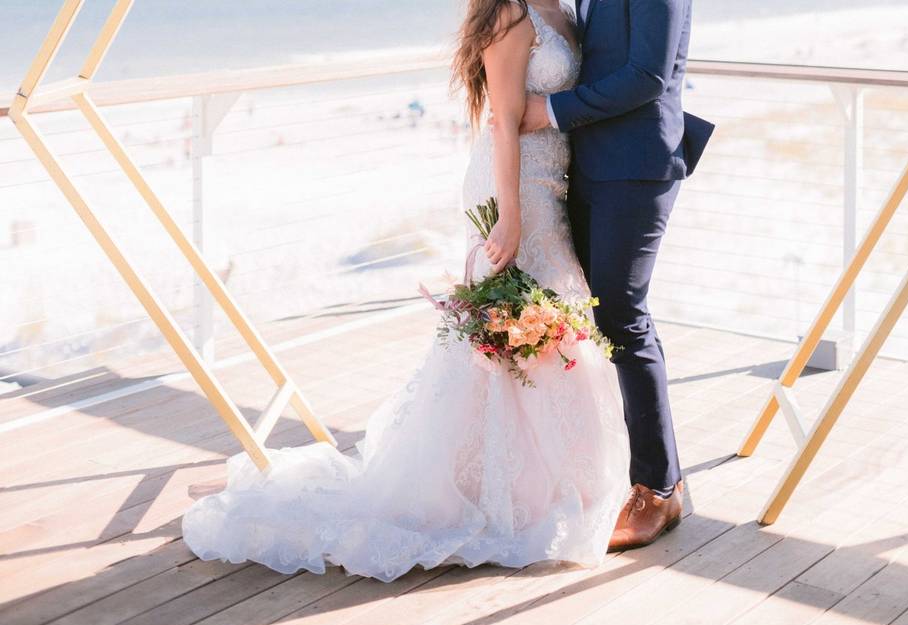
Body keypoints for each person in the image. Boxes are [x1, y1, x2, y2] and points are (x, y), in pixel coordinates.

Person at [182, 0, 635, 582]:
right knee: (509, 334)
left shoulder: (563, 8)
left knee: (547, 327)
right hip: (511, 188)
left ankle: (541, 487)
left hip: (551, 182)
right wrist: (512, 214)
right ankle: (486, 491)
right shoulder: (510, 12)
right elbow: (501, 120)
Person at [518, 0, 713, 550]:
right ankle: (606, 467)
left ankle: (659, 487)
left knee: (624, 319)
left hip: (633, 164)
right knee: (593, 318)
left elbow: (647, 75)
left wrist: (551, 111)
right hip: (585, 163)